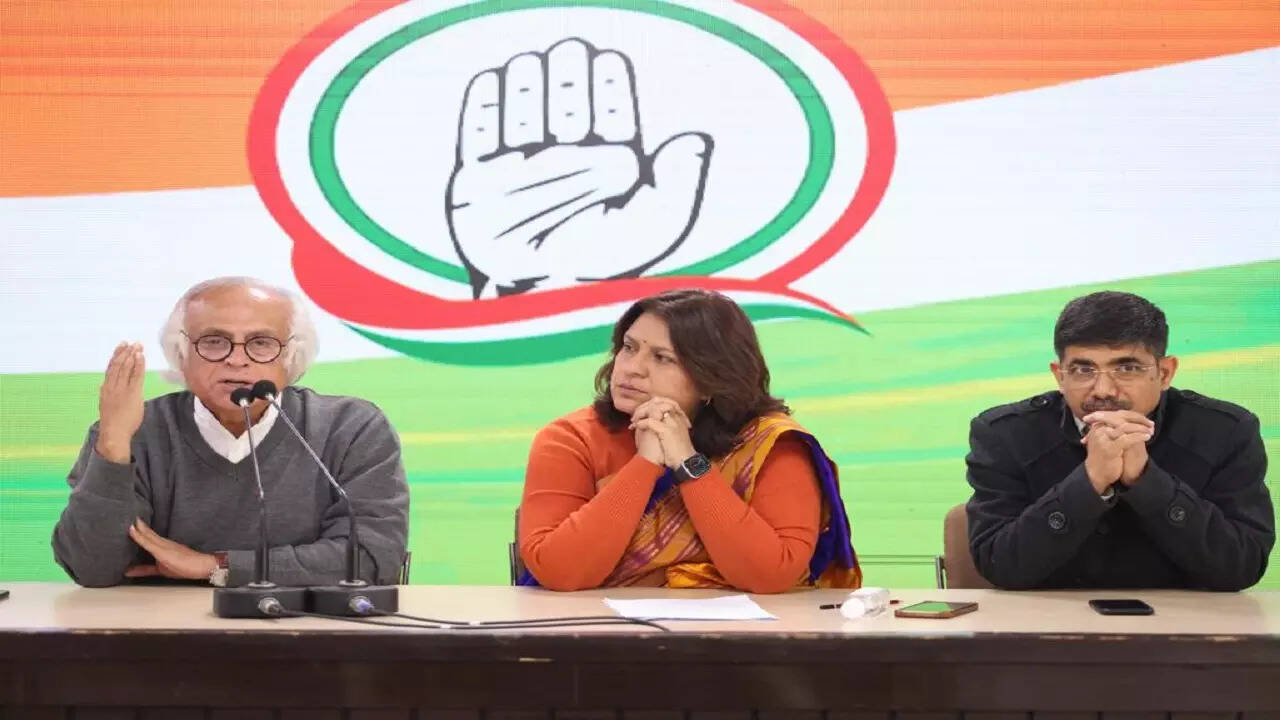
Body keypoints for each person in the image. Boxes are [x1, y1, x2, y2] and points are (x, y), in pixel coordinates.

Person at [52, 277, 409, 588]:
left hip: (311, 632)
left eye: (261, 343)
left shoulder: (351, 428)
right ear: (181, 354)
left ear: (290, 357)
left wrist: (217, 566)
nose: (237, 360)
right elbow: (92, 569)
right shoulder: (132, 431)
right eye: (214, 341)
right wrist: (114, 445)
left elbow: (370, 558)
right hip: (164, 633)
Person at [518, 289, 860, 592]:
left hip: (743, 638)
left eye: (662, 358)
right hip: (594, 635)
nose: (632, 368)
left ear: (712, 379)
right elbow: (560, 571)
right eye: (629, 347)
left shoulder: (770, 445)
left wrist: (687, 462)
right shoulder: (571, 439)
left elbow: (772, 574)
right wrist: (645, 464)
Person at [966, 291, 1273, 590]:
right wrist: (1090, 481)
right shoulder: (1005, 434)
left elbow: (1243, 566)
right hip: (1047, 620)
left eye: (1127, 368)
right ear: (1060, 376)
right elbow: (998, 565)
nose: (1103, 390)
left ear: (1165, 373)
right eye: (1083, 369)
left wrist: (1147, 481)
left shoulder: (1225, 431)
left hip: (1188, 621)